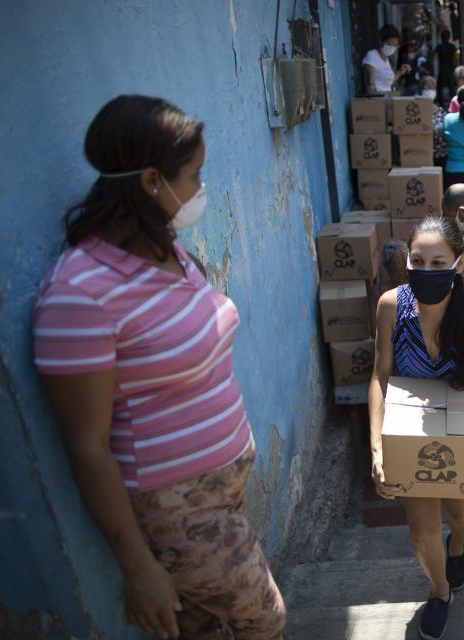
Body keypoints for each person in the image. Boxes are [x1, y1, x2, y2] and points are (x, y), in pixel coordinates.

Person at [32, 95, 286, 639]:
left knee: (201, 627)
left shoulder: (166, 247)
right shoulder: (79, 293)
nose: (201, 188)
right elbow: (86, 445)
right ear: (152, 181)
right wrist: (138, 566)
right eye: (194, 174)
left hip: (221, 492)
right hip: (175, 509)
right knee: (265, 620)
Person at [369, 216, 464, 640]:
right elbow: (379, 377)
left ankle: (459, 546)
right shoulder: (392, 306)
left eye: (438, 262)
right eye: (418, 261)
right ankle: (440, 591)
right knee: (421, 532)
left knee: (461, 512)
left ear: (460, 263)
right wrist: (377, 446)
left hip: (462, 431)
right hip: (411, 436)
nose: (426, 271)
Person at [364, 25, 412, 95]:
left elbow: (387, 83)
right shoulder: (372, 56)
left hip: (389, 98)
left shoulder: (387, 60)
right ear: (381, 41)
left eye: (395, 45)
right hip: (378, 100)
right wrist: (373, 89)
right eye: (389, 44)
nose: (392, 48)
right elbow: (372, 85)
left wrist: (400, 72)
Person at [424, 76, 449, 168]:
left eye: (432, 88)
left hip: (441, 155)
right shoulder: (418, 112)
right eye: (427, 88)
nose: (429, 90)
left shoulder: (441, 111)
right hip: (424, 154)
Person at [435, 30, 459, 104]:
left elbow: (434, 57)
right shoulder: (452, 46)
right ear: (449, 37)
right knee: (452, 89)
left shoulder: (439, 47)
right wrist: (455, 66)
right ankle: (454, 104)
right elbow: (456, 58)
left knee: (440, 88)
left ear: (441, 37)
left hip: (442, 70)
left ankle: (441, 104)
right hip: (451, 70)